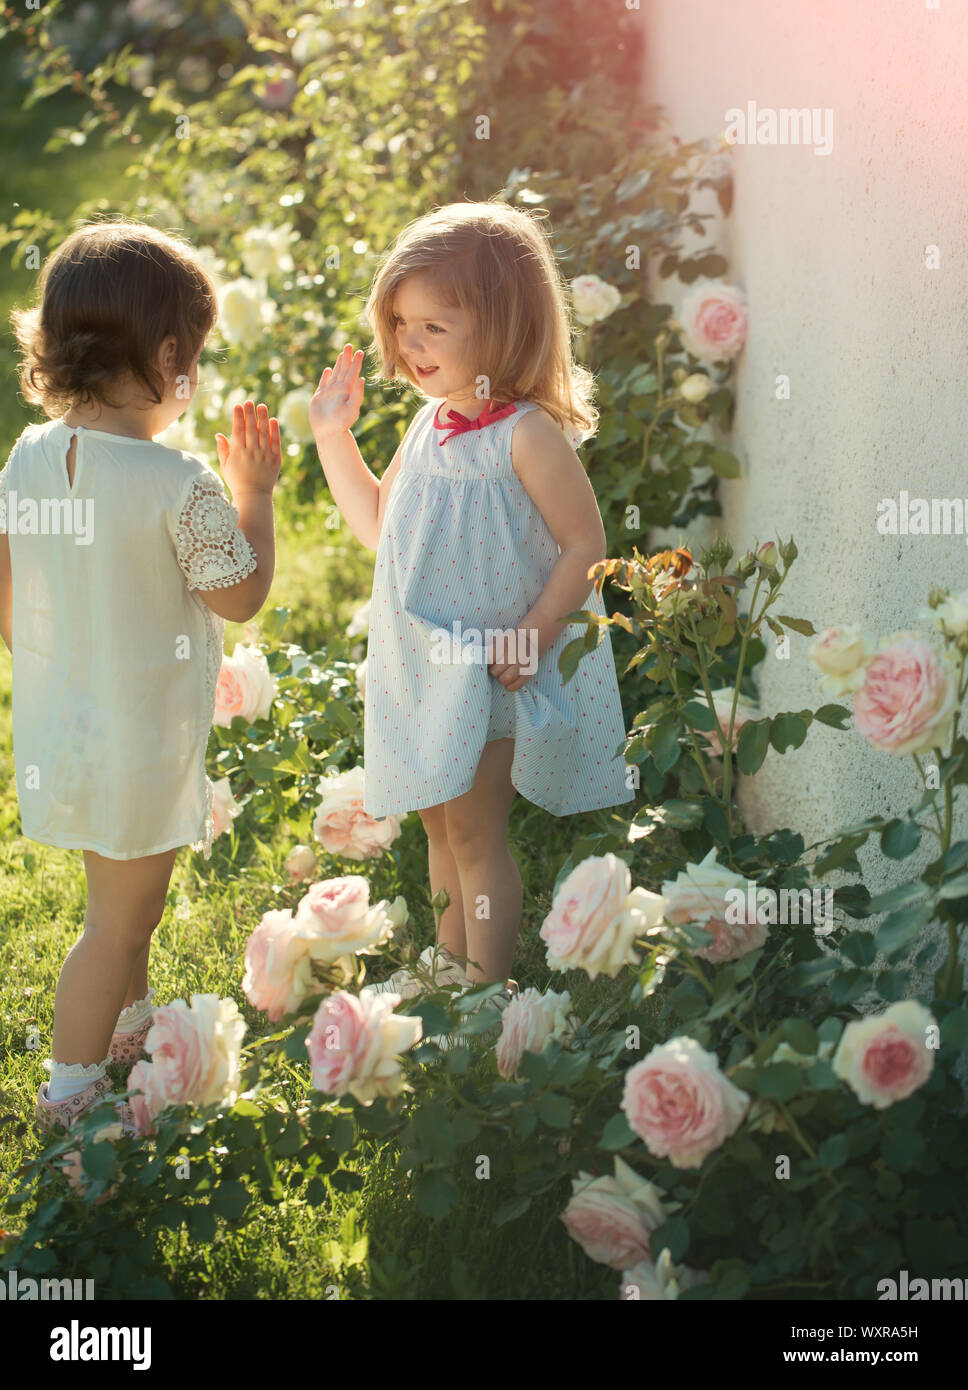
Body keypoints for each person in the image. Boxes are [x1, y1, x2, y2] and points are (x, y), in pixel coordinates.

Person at [310, 200, 634, 1019]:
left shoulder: (526, 435)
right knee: (438, 831)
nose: (411, 346)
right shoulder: (428, 426)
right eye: (401, 325)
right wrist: (332, 439)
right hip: (426, 669)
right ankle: (447, 962)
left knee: (477, 833)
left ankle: (488, 989)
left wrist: (536, 631)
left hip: (490, 669)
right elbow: (382, 530)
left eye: (434, 328)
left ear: (502, 326)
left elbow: (582, 543)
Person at [0, 220, 282, 1129]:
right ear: (166, 354)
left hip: (65, 730)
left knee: (119, 900)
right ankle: (70, 1095)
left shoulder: (28, 456)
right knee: (118, 921)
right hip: (137, 739)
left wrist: (50, 656)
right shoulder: (179, 481)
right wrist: (257, 497)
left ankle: (128, 1029)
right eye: (190, 360)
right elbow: (239, 597)